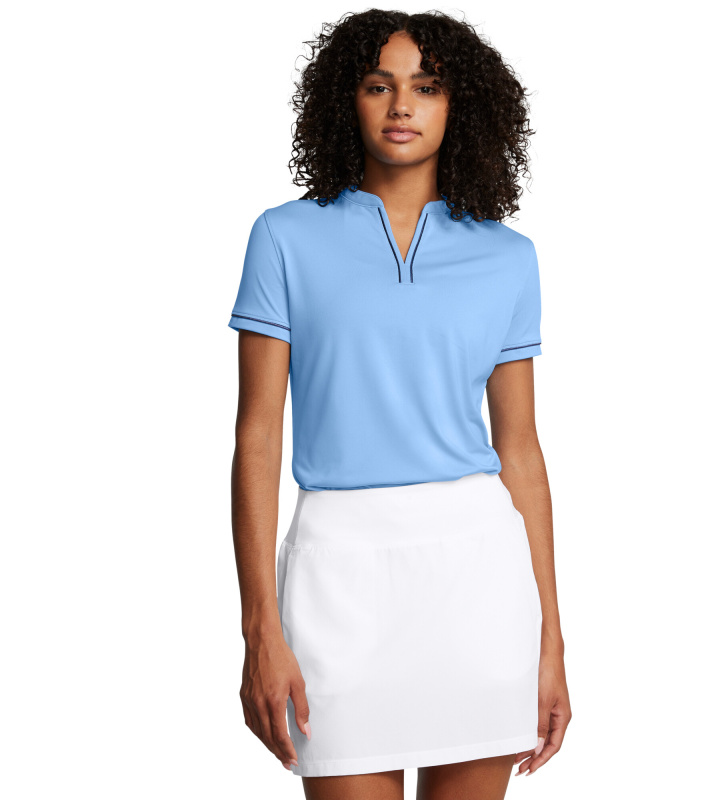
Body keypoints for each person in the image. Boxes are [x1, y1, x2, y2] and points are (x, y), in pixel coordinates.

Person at [228, 9, 570, 799]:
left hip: (479, 582)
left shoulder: (508, 257)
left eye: (428, 87)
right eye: (379, 85)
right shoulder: (283, 238)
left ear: (461, 106)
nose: (402, 106)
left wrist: (551, 639)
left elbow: (520, 449)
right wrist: (259, 628)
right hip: (337, 577)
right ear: (345, 100)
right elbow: (257, 439)